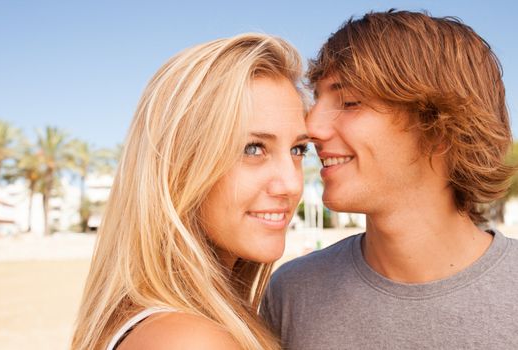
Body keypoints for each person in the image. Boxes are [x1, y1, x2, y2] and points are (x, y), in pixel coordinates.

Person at [261, 10, 518, 349]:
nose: (311, 128)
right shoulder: (292, 293)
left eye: (350, 102)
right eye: (318, 100)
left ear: (441, 128)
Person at [71, 33, 308, 350]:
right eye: (253, 148)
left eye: (298, 150)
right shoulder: (189, 340)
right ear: (180, 166)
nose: (292, 184)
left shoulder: (167, 322)